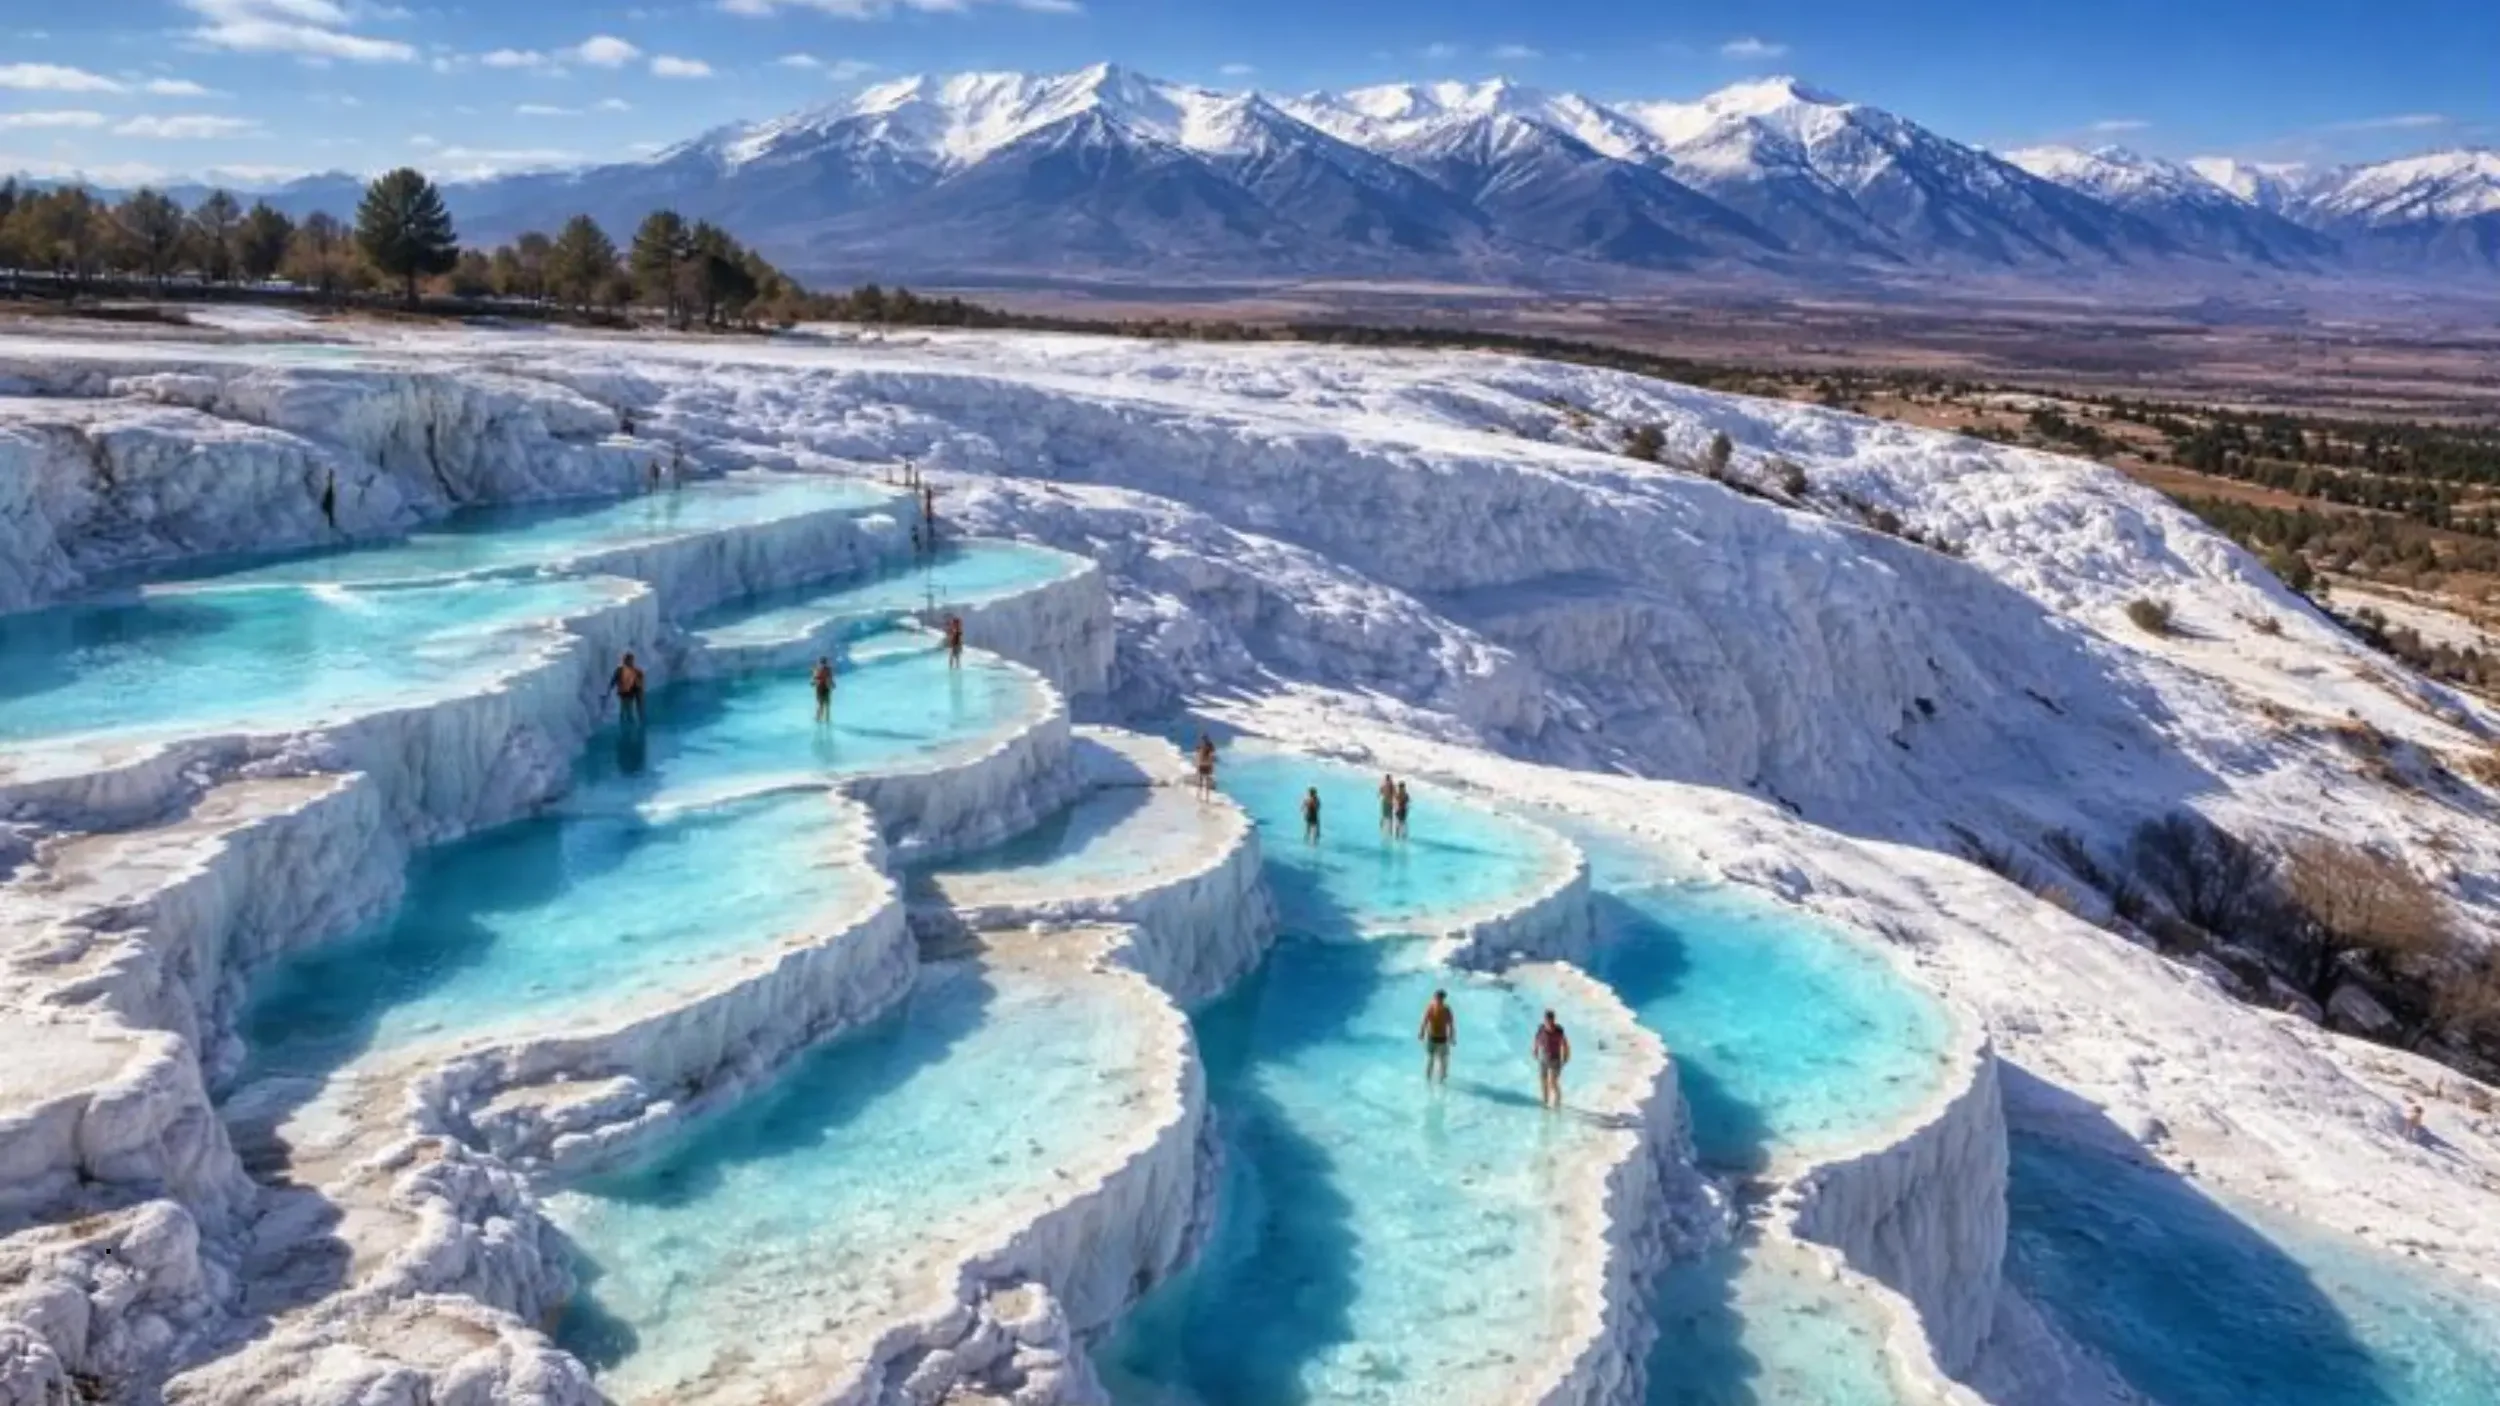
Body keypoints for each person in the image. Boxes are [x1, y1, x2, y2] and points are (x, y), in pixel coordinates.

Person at [1532, 1009, 1572, 1109]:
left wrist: (1566, 1055)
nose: (1549, 1023)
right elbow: (1536, 1039)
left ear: (1554, 1020)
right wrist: (1535, 1050)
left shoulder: (1559, 1031)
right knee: (1543, 1080)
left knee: (1553, 1082)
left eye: (1551, 1020)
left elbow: (1565, 1044)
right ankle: (1545, 1101)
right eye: (1547, 1020)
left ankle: (1557, 1102)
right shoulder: (1541, 1029)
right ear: (1545, 1020)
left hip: (1555, 1059)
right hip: (1543, 1057)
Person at [1419, 990, 1456, 1084]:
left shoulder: (1447, 1010)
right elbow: (1424, 1021)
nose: (1438, 1000)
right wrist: (1422, 1032)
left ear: (1443, 999)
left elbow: (1451, 1025)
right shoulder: (1430, 1008)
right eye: (1437, 998)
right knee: (1430, 1059)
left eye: (1440, 999)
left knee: (1443, 1060)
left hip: (1443, 1039)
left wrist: (1452, 1037)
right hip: (1432, 1038)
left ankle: (1442, 1080)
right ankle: (1428, 1080)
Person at [607, 651, 646, 725]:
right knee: (627, 710)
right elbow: (614, 680)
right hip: (626, 693)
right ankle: (629, 724)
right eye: (629, 660)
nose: (630, 662)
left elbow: (640, 684)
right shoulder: (621, 670)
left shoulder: (636, 671)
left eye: (630, 660)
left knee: (628, 709)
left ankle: (632, 723)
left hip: (630, 692)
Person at [812, 656, 835, 723]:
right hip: (825, 688)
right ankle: (826, 719)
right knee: (826, 705)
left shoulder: (818, 669)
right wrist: (833, 684)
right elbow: (830, 678)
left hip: (821, 688)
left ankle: (818, 719)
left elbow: (815, 679)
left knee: (821, 705)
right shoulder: (827, 669)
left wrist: (813, 683)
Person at [1194, 732, 1217, 800]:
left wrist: (1196, 764)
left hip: (1203, 764)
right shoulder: (1210, 746)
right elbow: (1212, 756)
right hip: (1207, 765)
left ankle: (1199, 795)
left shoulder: (1201, 746)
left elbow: (1197, 755)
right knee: (1206, 781)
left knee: (1201, 781)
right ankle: (1206, 797)